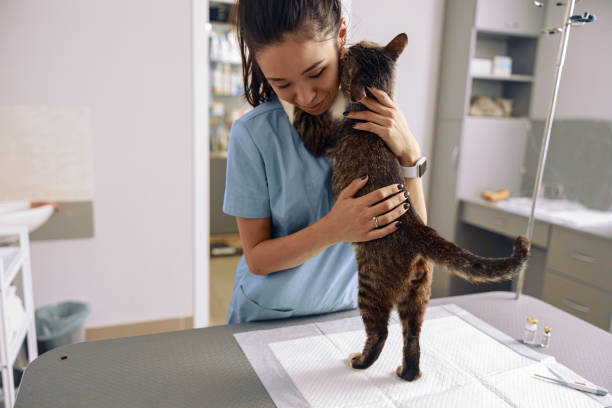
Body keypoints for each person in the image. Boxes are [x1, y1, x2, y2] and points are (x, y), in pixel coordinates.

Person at [223, 0, 427, 323]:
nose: (305, 97)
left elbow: (413, 237)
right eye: (282, 84)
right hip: (267, 320)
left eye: (316, 73)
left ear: (341, 35)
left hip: (345, 318)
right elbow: (257, 260)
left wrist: (410, 156)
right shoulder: (253, 135)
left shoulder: (378, 118)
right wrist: (333, 229)